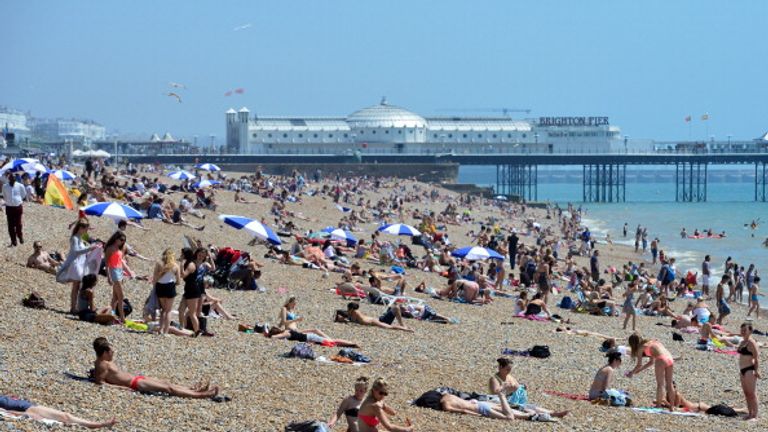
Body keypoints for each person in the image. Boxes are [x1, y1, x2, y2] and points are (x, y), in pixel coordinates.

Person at [92, 337, 220, 398]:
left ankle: (192, 390)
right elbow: (101, 383)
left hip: (137, 378)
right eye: (111, 351)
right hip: (135, 384)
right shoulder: (102, 365)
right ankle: (202, 395)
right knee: (167, 388)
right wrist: (122, 388)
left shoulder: (104, 361)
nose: (113, 353)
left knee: (166, 383)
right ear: (104, 353)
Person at [489, 357, 568, 419]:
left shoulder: (509, 376)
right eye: (507, 369)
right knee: (527, 409)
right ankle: (551, 414)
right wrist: (504, 386)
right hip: (502, 401)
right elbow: (494, 393)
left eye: (510, 369)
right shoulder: (494, 379)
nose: (509, 371)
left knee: (531, 407)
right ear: (500, 367)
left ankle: (553, 413)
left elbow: (516, 385)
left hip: (513, 399)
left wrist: (520, 387)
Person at [0, 395, 116, 429]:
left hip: (23, 405)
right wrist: (14, 413)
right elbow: (6, 411)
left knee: (65, 416)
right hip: (22, 407)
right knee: (64, 417)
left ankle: (98, 424)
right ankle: (98, 424)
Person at [57, 220, 99, 314]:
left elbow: (81, 250)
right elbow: (76, 251)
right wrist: (90, 248)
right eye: (86, 229)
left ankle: (76, 307)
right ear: (81, 228)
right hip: (75, 263)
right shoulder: (75, 238)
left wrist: (91, 247)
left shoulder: (79, 238)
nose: (87, 231)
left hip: (80, 263)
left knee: (77, 285)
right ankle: (73, 307)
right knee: (76, 286)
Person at [627, 334, 675, 408]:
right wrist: (640, 370)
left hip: (661, 359)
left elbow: (639, 364)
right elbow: (651, 362)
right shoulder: (653, 341)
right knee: (670, 384)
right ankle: (672, 406)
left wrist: (631, 373)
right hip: (670, 358)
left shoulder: (641, 348)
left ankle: (658, 406)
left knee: (660, 384)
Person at [152, 248, 181, 335]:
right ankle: (166, 331)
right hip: (170, 286)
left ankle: (160, 329)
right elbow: (179, 281)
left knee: (163, 310)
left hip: (160, 286)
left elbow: (155, 277)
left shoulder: (159, 263)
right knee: (168, 310)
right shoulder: (175, 266)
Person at [104, 231, 130, 323]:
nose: (122, 242)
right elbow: (107, 264)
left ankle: (112, 314)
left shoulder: (119, 249)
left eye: (124, 240)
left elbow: (121, 262)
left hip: (119, 271)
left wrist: (124, 273)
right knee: (121, 296)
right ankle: (122, 318)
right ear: (116, 239)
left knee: (115, 298)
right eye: (121, 240)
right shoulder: (110, 248)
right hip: (113, 271)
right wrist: (108, 277)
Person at [738, 322, 760, 420]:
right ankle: (750, 412)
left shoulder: (752, 342)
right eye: (742, 330)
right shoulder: (742, 342)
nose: (742, 332)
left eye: (745, 330)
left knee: (752, 393)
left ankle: (754, 415)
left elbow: (756, 357)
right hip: (742, 370)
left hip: (749, 370)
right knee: (746, 393)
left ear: (750, 331)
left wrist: (757, 370)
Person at [344, 302, 414, 332]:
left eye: (348, 309)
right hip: (378, 320)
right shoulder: (355, 312)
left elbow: (348, 318)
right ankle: (403, 326)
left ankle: (405, 328)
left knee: (390, 327)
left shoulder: (355, 313)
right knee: (394, 309)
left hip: (375, 321)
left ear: (351, 309)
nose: (347, 310)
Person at [2, 172, 26, 247]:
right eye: (11, 177)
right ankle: (13, 240)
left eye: (14, 177)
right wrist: (9, 201)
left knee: (18, 224)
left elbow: (23, 194)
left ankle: (20, 236)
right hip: (9, 207)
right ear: (9, 178)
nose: (13, 178)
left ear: (15, 179)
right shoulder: (5, 186)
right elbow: (4, 195)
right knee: (10, 225)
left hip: (18, 206)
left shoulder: (20, 185)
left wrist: (17, 200)